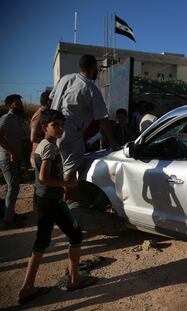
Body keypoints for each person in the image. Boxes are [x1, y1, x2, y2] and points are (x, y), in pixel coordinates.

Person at [18, 109, 97, 304]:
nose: (61, 129)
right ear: (45, 127)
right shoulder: (50, 148)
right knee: (76, 235)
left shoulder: (42, 144)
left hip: (42, 199)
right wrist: (67, 184)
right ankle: (73, 279)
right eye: (56, 125)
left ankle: (27, 287)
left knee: (42, 242)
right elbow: (44, 178)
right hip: (52, 201)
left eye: (62, 125)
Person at [50, 54, 118, 182]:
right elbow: (103, 120)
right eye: (97, 68)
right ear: (93, 67)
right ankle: (68, 198)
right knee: (70, 170)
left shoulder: (65, 79)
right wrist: (113, 143)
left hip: (52, 130)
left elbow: (50, 100)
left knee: (56, 166)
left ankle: (59, 196)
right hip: (70, 134)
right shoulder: (91, 89)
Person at [0, 94, 24, 227]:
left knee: (14, 187)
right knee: (12, 187)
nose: (20, 104)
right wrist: (12, 152)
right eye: (16, 103)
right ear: (9, 106)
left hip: (15, 157)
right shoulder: (7, 118)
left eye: (20, 102)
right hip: (7, 158)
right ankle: (7, 221)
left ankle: (10, 215)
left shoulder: (16, 119)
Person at [30, 90, 52, 168]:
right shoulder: (39, 116)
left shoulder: (45, 114)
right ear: (49, 102)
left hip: (43, 154)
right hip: (39, 155)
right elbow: (33, 138)